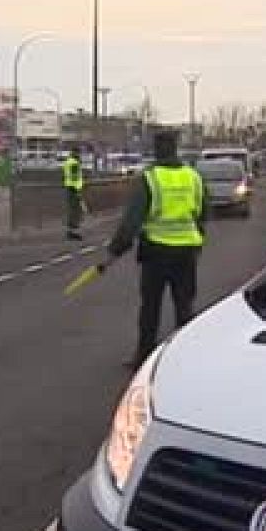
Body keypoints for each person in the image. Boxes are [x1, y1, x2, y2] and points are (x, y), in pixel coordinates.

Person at [102, 130, 208, 369]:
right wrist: (197, 240)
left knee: (151, 307)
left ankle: (144, 355)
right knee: (184, 305)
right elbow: (203, 213)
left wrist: (115, 250)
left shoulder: (149, 179)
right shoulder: (193, 177)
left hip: (156, 252)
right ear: (176, 148)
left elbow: (131, 221)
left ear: (155, 150)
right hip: (186, 252)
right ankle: (185, 357)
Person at [63, 146, 86, 241]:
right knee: (76, 211)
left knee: (74, 210)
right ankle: (72, 232)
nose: (80, 155)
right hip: (74, 189)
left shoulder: (69, 162)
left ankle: (72, 231)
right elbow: (75, 177)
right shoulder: (74, 163)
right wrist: (78, 191)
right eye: (79, 153)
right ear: (75, 153)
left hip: (70, 188)